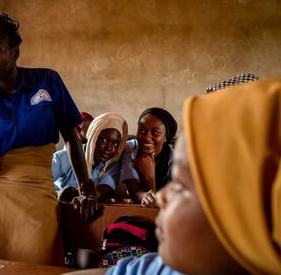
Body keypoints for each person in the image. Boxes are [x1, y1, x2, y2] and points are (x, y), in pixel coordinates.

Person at [0, 13, 93, 264]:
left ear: (15, 50)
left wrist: (85, 188)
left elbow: (71, 137)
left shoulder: (47, 81)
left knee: (35, 255)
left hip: (37, 187)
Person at [105, 79, 281, 274]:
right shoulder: (171, 265)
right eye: (142, 130)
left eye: (180, 185)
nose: (146, 137)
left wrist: (151, 180)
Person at [53, 112, 128, 202]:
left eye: (115, 144)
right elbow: (38, 182)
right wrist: (59, 194)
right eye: (104, 140)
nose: (109, 148)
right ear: (93, 136)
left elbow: (106, 188)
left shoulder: (111, 165)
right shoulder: (64, 158)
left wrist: (94, 193)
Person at [119, 107, 177, 207]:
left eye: (155, 132)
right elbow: (133, 189)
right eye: (142, 130)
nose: (146, 137)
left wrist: (149, 177)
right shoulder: (129, 149)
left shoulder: (175, 159)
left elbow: (171, 202)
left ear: (166, 137)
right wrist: (145, 197)